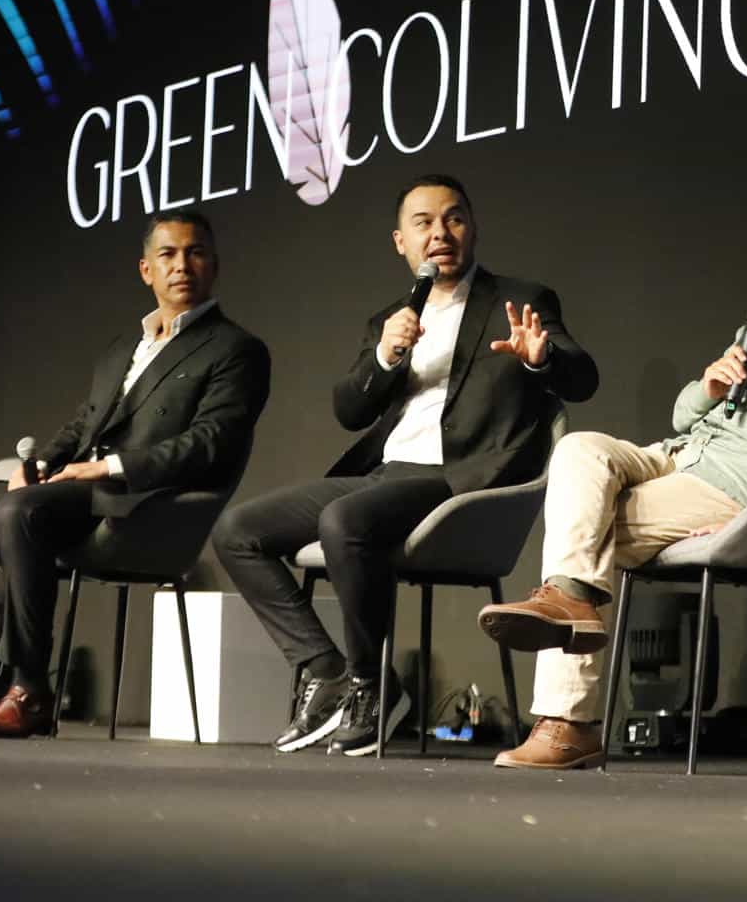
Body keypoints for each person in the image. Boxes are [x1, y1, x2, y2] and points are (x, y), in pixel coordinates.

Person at [475, 187, 747, 769]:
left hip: (744, 484)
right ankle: (570, 610)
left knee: (585, 534)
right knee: (579, 451)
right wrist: (711, 387)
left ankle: (567, 720)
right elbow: (681, 416)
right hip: (685, 453)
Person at [211, 175, 597, 757]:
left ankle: (374, 686)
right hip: (384, 477)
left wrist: (542, 360)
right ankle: (328, 670)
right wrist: (385, 356)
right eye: (423, 223)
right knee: (239, 531)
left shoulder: (519, 300)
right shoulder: (391, 318)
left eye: (454, 219)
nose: (440, 233)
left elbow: (582, 377)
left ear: (472, 229)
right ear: (401, 241)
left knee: (344, 521)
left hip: (459, 480)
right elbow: (349, 409)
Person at [0, 211, 271, 738]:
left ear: (215, 264)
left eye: (195, 253)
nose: (181, 265)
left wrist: (109, 466)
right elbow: (82, 422)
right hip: (73, 491)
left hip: (138, 500)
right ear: (146, 270)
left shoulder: (236, 350)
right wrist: (39, 466)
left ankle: (29, 690)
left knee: (20, 512)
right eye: (167, 255)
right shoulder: (125, 347)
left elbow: (214, 442)